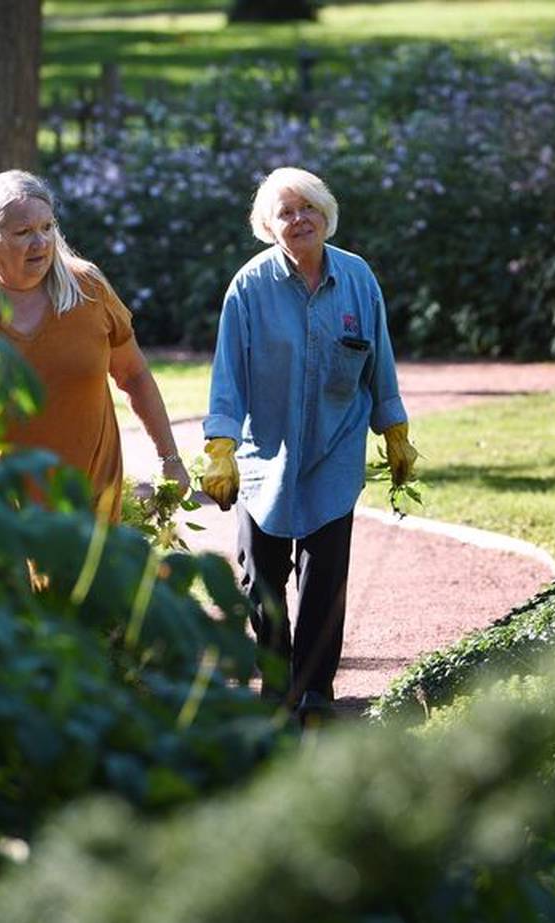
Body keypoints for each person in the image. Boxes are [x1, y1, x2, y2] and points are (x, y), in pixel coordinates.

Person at [200, 166, 418, 718]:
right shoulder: (248, 287)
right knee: (261, 583)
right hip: (262, 458)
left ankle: (315, 695)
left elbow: (380, 361)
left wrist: (394, 430)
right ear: (268, 226)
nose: (299, 220)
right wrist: (220, 446)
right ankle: (277, 691)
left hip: (334, 451)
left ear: (326, 215)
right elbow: (229, 374)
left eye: (309, 209)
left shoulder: (358, 278)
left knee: (324, 583)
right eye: (286, 212)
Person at [0, 170, 189, 521]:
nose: (41, 243)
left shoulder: (88, 288)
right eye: (24, 233)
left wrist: (169, 459)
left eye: (47, 228)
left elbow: (134, 373)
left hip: (90, 509)